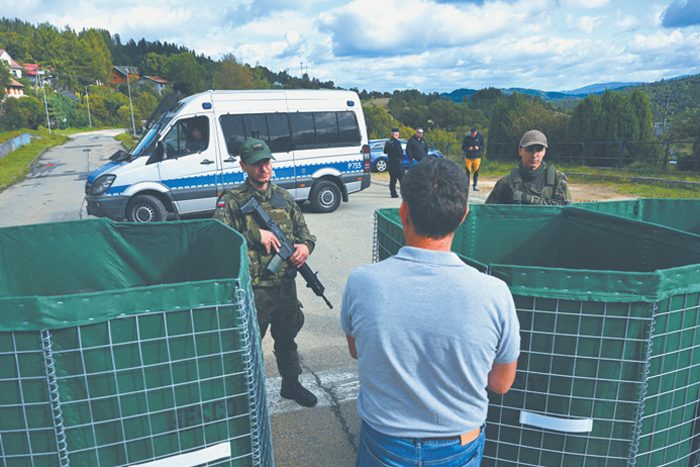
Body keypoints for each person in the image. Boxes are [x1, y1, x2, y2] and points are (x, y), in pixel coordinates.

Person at [341, 157, 520, 466]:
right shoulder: (495, 293)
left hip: (384, 441)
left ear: (403, 212)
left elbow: (357, 351)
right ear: (464, 215)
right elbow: (501, 384)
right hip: (459, 444)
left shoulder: (361, 282)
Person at [214, 138, 318, 407]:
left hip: (284, 286)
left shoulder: (283, 197)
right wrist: (252, 234)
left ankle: (291, 385)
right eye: (257, 163)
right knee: (247, 346)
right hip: (253, 289)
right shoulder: (232, 201)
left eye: (267, 162)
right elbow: (215, 237)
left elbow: (305, 234)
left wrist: (305, 248)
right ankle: (244, 395)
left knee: (287, 339)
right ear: (243, 166)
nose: (264, 168)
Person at [485, 129, 572, 205]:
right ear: (520, 151)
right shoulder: (505, 183)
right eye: (529, 149)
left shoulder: (557, 178)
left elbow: (564, 209)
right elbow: (487, 212)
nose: (534, 155)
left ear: (544, 151)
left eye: (539, 150)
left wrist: (529, 199)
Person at [383, 128, 404, 198]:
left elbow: (385, 151)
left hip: (390, 163)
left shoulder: (388, 142)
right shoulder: (397, 142)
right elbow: (400, 152)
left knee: (393, 179)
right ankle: (404, 193)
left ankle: (393, 193)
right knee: (402, 179)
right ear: (396, 134)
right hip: (397, 163)